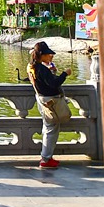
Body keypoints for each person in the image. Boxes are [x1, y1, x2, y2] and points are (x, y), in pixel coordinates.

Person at [26, 41, 71, 169]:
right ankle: (46, 159)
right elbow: (54, 84)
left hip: (42, 100)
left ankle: (46, 157)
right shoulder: (42, 69)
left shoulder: (31, 67)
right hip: (51, 102)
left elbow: (43, 81)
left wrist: (51, 72)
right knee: (51, 129)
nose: (50, 56)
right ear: (42, 55)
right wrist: (64, 74)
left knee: (47, 128)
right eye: (48, 54)